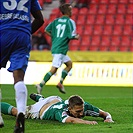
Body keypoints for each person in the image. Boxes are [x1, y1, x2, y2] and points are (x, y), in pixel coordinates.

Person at [0, 0, 44, 132]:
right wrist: (25, 31)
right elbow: (40, 19)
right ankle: (21, 111)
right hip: (22, 35)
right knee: (19, 78)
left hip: (2, 33)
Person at [36, 3, 79, 94]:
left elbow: (46, 30)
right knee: (54, 68)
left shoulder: (56, 21)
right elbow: (71, 35)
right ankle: (40, 84)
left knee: (69, 65)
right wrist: (76, 37)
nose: (72, 12)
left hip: (57, 47)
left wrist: (55, 37)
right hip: (60, 49)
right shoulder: (70, 22)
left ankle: (60, 83)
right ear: (67, 11)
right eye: (70, 10)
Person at [1, 93, 114, 124]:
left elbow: (105, 113)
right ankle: (40, 100)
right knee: (17, 111)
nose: (81, 114)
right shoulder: (61, 112)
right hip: (40, 111)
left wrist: (108, 118)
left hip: (54, 100)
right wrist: (87, 122)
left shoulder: (85, 106)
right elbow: (72, 120)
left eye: (82, 110)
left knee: (53, 100)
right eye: (78, 112)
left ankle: (40, 98)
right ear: (69, 109)